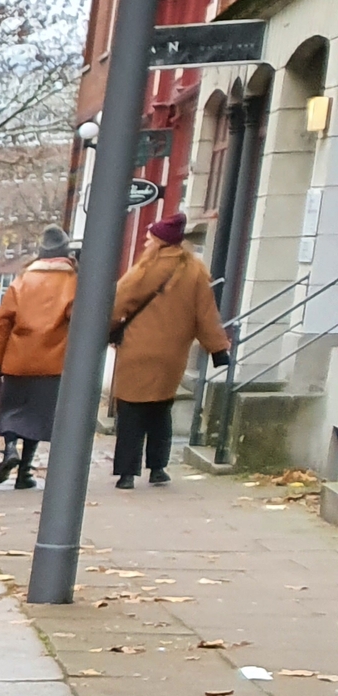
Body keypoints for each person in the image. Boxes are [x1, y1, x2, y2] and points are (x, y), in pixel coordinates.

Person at [110, 209, 229, 488]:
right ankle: (158, 468)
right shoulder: (196, 270)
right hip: (172, 355)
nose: (146, 244)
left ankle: (127, 474)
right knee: (161, 410)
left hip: (137, 352)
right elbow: (207, 314)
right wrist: (218, 349)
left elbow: (117, 304)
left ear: (161, 242)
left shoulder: (145, 268)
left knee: (130, 411)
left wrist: (104, 333)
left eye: (149, 239)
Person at [0, 226, 76, 490]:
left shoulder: (22, 280)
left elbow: (2, 323)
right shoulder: (73, 281)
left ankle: (10, 448)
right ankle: (24, 473)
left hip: (18, 359)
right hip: (52, 362)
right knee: (36, 418)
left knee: (12, 411)